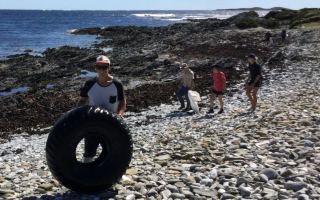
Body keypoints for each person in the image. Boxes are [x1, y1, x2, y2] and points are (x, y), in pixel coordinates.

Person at [78, 55, 126, 162]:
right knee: (89, 153)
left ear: (109, 68)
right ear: (95, 68)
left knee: (113, 151)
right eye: (99, 67)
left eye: (104, 67)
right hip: (93, 123)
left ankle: (111, 175)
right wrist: (76, 116)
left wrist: (120, 115)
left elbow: (122, 102)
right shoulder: (90, 84)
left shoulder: (117, 84)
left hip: (112, 123)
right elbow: (82, 101)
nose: (102, 70)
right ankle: (87, 172)